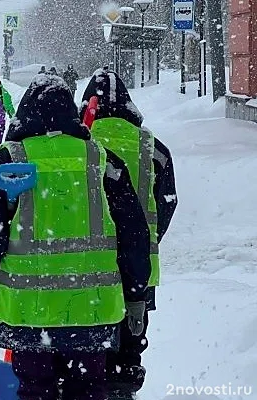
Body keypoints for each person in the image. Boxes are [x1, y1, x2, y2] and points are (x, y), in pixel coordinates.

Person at [0, 74, 152, 400]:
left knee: (35, 390)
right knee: (88, 388)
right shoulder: (101, 161)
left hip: (29, 314)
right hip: (93, 313)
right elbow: (134, 235)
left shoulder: (12, 161)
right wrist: (135, 292)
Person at [79, 68, 178, 400]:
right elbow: (168, 201)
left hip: (90, 267)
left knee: (90, 351)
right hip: (141, 271)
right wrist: (148, 237)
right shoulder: (154, 147)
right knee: (128, 350)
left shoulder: (84, 145)